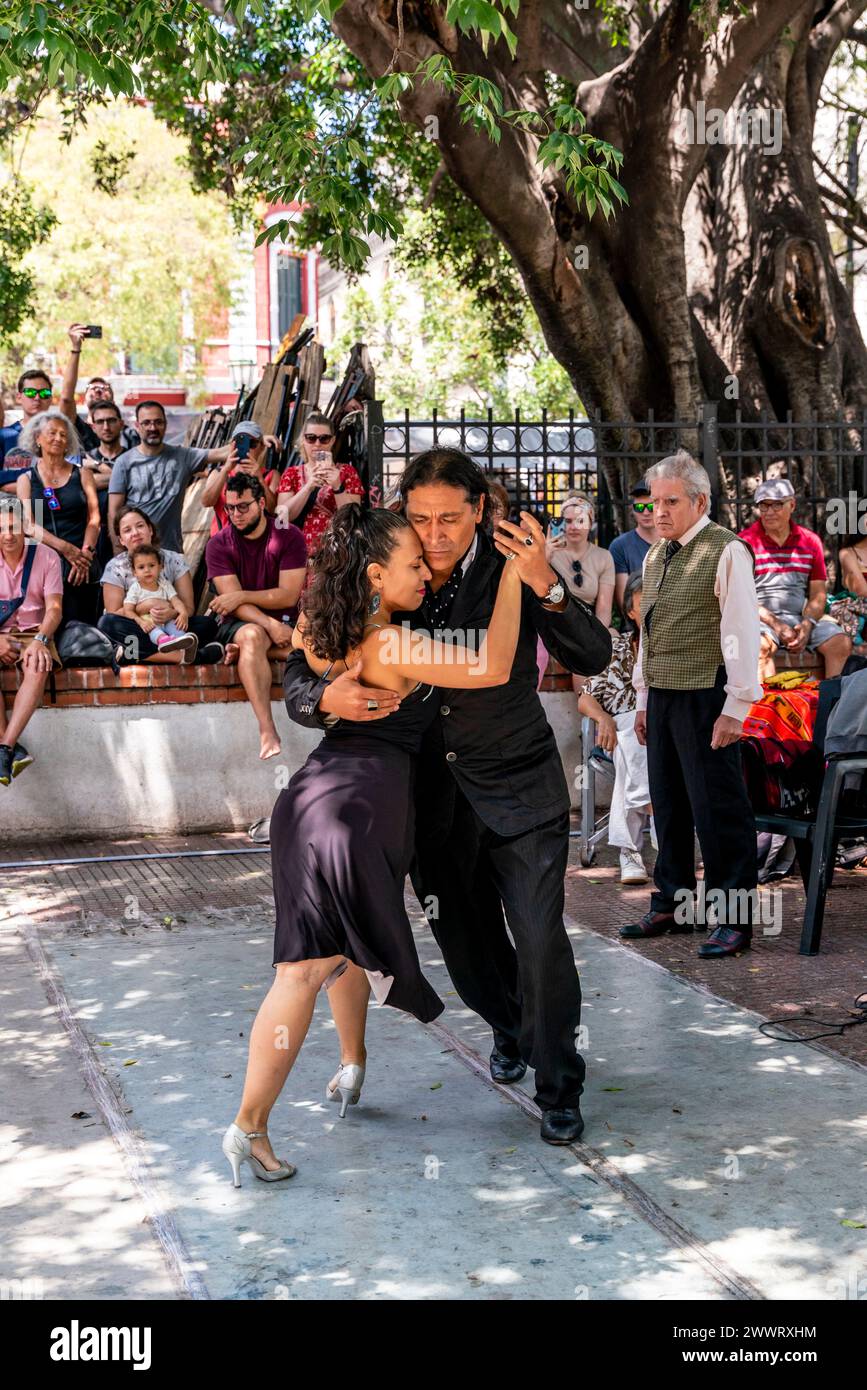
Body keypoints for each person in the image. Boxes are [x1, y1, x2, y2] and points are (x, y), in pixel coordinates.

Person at [283, 449, 612, 1145]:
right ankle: (512, 1028)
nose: (434, 535)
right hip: (425, 799)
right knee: (468, 960)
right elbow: (300, 669)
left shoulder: (511, 562)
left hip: (519, 787)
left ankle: (558, 1086)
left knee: (539, 939)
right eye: (421, 518)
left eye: (451, 519)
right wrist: (321, 699)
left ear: (479, 511)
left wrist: (547, 585)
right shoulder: (380, 566)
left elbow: (592, 654)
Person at [222, 504, 525, 1185]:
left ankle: (352, 1060)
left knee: (342, 946)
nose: (424, 571)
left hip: (314, 800)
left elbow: (305, 661)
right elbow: (497, 662)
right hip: (354, 813)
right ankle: (248, 1126)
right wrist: (511, 576)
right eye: (413, 564)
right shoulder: (390, 645)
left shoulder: (330, 629)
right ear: (374, 574)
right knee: (302, 971)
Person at [621, 451, 762, 958]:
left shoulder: (727, 550)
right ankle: (674, 903)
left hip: (709, 693)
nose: (658, 511)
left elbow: (742, 630)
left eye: (670, 501)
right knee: (671, 805)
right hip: (662, 696)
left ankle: (735, 918)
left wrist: (737, 706)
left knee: (718, 808)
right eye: (653, 501)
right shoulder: (657, 554)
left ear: (700, 501)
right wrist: (642, 698)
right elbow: (649, 632)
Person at [205, 474, 307, 760]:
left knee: (317, 645)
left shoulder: (289, 535)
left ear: (262, 503)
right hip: (243, 622)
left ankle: (250, 654)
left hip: (288, 619)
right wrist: (269, 624)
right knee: (253, 636)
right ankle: (266, 729)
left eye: (243, 507)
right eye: (230, 508)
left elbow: (288, 595)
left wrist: (242, 594)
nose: (236, 515)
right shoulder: (218, 544)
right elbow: (232, 605)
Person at [578, 570, 652, 884]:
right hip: (623, 723)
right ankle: (656, 824)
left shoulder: (674, 648)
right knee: (635, 742)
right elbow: (585, 698)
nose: (652, 605)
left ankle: (629, 853)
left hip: (660, 726)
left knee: (636, 754)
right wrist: (604, 718)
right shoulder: (616, 648)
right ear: (630, 611)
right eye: (643, 601)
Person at [739, 478, 851, 680]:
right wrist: (778, 626)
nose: (769, 511)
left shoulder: (810, 541)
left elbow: (818, 594)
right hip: (759, 619)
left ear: (792, 505)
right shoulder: (744, 542)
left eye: (777, 504)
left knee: (840, 643)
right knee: (758, 648)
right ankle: (767, 709)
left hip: (799, 617)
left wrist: (807, 625)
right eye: (763, 505)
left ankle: (832, 707)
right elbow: (741, 597)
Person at [99, 507, 230, 666]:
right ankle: (188, 656)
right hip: (139, 626)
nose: (135, 532)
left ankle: (133, 654)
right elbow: (115, 615)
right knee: (106, 623)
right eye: (127, 530)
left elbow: (188, 608)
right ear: (121, 540)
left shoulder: (174, 560)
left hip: (170, 627)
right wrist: (145, 606)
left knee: (207, 624)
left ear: (150, 530)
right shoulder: (115, 567)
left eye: (140, 526)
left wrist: (171, 612)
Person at [108, 400, 231, 555]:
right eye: (146, 423)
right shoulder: (124, 462)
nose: (153, 428)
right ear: (137, 427)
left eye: (158, 422)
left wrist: (258, 438)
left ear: (165, 424)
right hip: (136, 555)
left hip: (171, 554)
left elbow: (221, 452)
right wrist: (118, 552)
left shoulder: (183, 456)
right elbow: (114, 512)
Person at [16, 410, 101, 626]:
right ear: (38, 438)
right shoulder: (27, 479)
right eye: (52, 433)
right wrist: (65, 549)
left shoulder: (82, 474)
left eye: (64, 435)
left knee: (84, 625)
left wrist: (85, 554)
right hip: (44, 562)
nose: (58, 438)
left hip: (82, 561)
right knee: (51, 623)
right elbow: (29, 525)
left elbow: (94, 517)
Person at [0, 496, 63, 785]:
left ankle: (5, 747)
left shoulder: (47, 555)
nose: (8, 535)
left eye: (13, 526)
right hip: (1, 632)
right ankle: (5, 749)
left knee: (38, 665)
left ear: (26, 526)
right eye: (1, 528)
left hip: (35, 631)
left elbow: (54, 609)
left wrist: (40, 639)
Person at [275, 411, 364, 563]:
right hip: (298, 555)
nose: (317, 444)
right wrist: (308, 487)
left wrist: (338, 486)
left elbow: (353, 518)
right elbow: (282, 518)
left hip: (337, 556)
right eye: (311, 438)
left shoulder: (347, 472)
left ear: (332, 440)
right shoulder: (292, 474)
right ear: (303, 440)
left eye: (324, 439)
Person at [58, 323, 140, 453]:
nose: (98, 390)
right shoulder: (77, 429)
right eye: (92, 388)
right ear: (84, 399)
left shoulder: (129, 436)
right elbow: (66, 399)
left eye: (104, 388)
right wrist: (75, 348)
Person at [200, 421, 277, 535]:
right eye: (240, 442)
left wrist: (260, 479)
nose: (247, 449)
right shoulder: (219, 473)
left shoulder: (271, 475)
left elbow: (273, 510)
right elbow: (206, 502)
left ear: (261, 448)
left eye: (252, 444)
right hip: (224, 544)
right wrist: (226, 470)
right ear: (232, 446)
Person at [122, 544, 197, 660]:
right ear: (134, 572)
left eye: (151, 565)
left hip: (167, 620)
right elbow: (128, 610)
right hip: (148, 622)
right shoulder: (135, 588)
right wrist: (141, 622)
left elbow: (176, 601)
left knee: (176, 626)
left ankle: (184, 644)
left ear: (160, 567)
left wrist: (183, 614)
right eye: (141, 567)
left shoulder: (164, 583)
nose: (147, 570)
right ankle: (164, 642)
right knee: (154, 630)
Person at [609, 481, 658, 612]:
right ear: (632, 509)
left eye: (651, 507)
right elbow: (625, 603)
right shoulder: (619, 546)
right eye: (640, 507)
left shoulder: (674, 542)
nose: (646, 512)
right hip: (636, 622)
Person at [0, 368, 55, 481]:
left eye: (44, 393)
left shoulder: (61, 437)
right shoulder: (4, 436)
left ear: (50, 399)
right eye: (30, 392)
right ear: (19, 397)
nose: (37, 398)